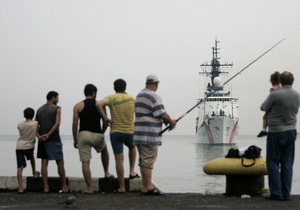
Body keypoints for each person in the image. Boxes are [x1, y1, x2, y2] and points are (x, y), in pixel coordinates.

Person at [133, 74, 176, 196]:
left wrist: (167, 120)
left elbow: (150, 113)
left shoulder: (139, 95)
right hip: (149, 133)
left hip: (139, 133)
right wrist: (171, 122)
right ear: (156, 84)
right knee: (148, 160)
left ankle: (144, 187)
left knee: (143, 160)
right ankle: (149, 187)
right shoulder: (154, 95)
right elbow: (162, 113)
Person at [260, 71, 300, 201]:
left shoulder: (275, 95)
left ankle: (276, 193)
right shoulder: (297, 95)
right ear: (292, 81)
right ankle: (286, 193)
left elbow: (263, 107)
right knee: (287, 163)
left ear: (280, 81)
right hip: (291, 131)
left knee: (273, 162)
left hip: (276, 131)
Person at [97, 79, 140, 194]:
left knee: (119, 160)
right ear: (125, 87)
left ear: (114, 87)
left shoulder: (111, 98)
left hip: (116, 132)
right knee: (132, 147)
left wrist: (105, 118)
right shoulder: (132, 98)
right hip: (130, 131)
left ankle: (122, 187)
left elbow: (98, 104)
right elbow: (139, 112)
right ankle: (132, 171)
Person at [72, 84, 113, 194]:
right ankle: (106, 172)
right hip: (97, 133)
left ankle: (89, 188)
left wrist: (75, 139)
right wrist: (102, 133)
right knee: (104, 150)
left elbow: (75, 124)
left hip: (83, 134)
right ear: (94, 93)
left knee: (85, 162)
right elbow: (105, 122)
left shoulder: (78, 106)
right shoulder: (99, 104)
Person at [36, 91, 69, 193]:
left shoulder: (39, 110)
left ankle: (46, 187)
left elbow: (35, 125)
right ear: (53, 98)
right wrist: (48, 135)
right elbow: (57, 123)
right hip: (54, 138)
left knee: (44, 163)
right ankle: (64, 186)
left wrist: (40, 136)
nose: (58, 100)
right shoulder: (57, 108)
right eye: (57, 98)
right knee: (60, 162)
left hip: (42, 139)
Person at [16, 107, 40, 194]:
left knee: (20, 167)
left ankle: (20, 188)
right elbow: (36, 131)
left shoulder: (19, 124)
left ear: (24, 115)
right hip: (29, 145)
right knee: (32, 158)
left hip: (19, 146)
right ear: (33, 115)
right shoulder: (35, 123)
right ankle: (34, 173)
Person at [257, 71, 281, 137]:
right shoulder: (281, 88)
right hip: (280, 108)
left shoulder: (273, 89)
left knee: (264, 117)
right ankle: (264, 130)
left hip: (273, 107)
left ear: (271, 81)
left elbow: (271, 99)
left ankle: (264, 130)